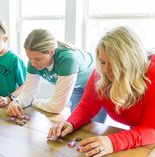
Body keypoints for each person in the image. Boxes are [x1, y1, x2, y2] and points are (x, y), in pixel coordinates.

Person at [48, 26, 155, 157]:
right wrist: (71, 122)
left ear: (130, 61)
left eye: (113, 63)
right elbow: (87, 107)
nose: (106, 69)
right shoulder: (100, 73)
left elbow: (152, 129)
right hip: (140, 131)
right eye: (103, 62)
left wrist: (113, 142)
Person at [7, 28, 107, 123]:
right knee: (78, 122)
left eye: (37, 59)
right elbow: (28, 93)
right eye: (29, 58)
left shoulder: (68, 60)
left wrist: (33, 102)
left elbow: (57, 107)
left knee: (93, 127)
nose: (32, 64)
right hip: (76, 87)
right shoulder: (34, 61)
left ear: (51, 52)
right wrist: (16, 102)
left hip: (98, 86)